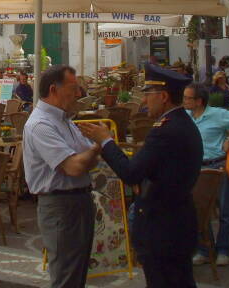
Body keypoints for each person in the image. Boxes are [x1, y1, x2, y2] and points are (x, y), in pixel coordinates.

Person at [80, 64, 202, 288]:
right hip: (178, 221)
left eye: (148, 95)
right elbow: (167, 170)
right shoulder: (183, 124)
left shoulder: (164, 130)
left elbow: (130, 172)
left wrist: (106, 141)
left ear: (163, 96)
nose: (144, 101)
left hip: (162, 227)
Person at [23, 65, 100, 288]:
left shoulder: (64, 120)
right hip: (61, 206)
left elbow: (88, 162)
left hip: (78, 202)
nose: (78, 94)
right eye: (73, 88)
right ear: (53, 89)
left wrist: (90, 154)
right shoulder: (41, 124)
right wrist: (99, 145)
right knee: (66, 276)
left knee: (77, 273)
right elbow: (75, 166)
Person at [183, 84, 229, 266]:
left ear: (199, 101)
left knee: (225, 210)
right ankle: (205, 249)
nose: (185, 101)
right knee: (199, 210)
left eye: (188, 98)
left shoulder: (217, 114)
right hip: (197, 168)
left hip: (218, 167)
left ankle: (223, 250)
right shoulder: (187, 117)